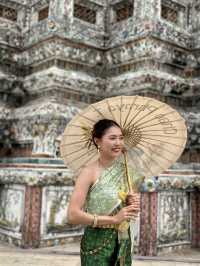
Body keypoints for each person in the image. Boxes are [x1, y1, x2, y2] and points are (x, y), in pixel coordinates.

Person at [67, 119, 141, 266]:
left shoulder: (127, 171)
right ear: (98, 141)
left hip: (123, 240)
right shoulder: (88, 172)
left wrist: (131, 202)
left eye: (121, 138)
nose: (118, 143)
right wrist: (114, 220)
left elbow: (126, 211)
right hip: (96, 244)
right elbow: (72, 215)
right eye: (112, 138)